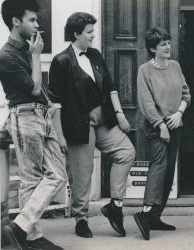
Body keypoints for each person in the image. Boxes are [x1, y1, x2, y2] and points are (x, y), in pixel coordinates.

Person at [48, 12, 135, 238]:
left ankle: (115, 205)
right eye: (89, 32)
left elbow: (111, 87)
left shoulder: (95, 55)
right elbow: (55, 103)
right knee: (82, 174)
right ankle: (81, 219)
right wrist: (60, 136)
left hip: (104, 121)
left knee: (126, 152)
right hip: (78, 125)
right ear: (76, 34)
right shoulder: (61, 61)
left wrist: (120, 114)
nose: (93, 35)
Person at [0, 0, 67, 249]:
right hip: (25, 115)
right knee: (31, 179)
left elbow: (41, 92)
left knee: (58, 175)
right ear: (16, 22)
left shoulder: (25, 49)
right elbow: (35, 88)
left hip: (41, 116)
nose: (38, 25)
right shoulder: (5, 56)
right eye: (32, 20)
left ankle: (19, 227)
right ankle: (31, 238)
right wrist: (36, 55)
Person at [133, 27, 191, 240]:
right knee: (159, 166)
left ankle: (155, 217)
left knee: (168, 171)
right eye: (162, 44)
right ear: (152, 48)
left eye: (168, 42)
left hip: (175, 123)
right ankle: (145, 212)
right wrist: (161, 125)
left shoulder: (175, 66)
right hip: (156, 127)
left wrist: (179, 114)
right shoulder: (144, 70)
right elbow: (146, 103)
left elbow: (186, 93)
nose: (167, 47)